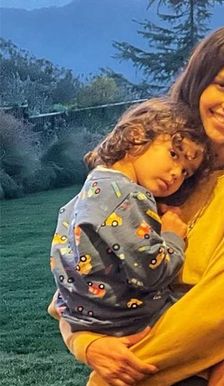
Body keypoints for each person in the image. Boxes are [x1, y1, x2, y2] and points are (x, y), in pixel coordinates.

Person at [51, 24, 224, 386]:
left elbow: (221, 313)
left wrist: (116, 371)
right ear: (198, 81)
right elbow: (78, 274)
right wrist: (85, 343)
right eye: (222, 85)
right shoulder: (154, 177)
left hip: (221, 372)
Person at [50, 96, 206, 337]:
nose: (177, 174)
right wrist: (173, 237)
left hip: (85, 316)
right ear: (135, 137)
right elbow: (151, 273)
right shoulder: (128, 197)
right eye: (174, 154)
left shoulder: (93, 187)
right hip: (129, 319)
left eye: (186, 172)